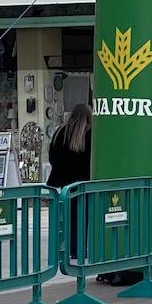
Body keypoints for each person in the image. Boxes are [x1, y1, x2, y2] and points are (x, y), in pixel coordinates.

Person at [48, 103, 93, 260]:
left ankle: (64, 248)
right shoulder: (90, 133)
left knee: (66, 217)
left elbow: (52, 157)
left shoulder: (60, 132)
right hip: (84, 183)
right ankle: (79, 248)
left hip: (62, 183)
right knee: (83, 217)